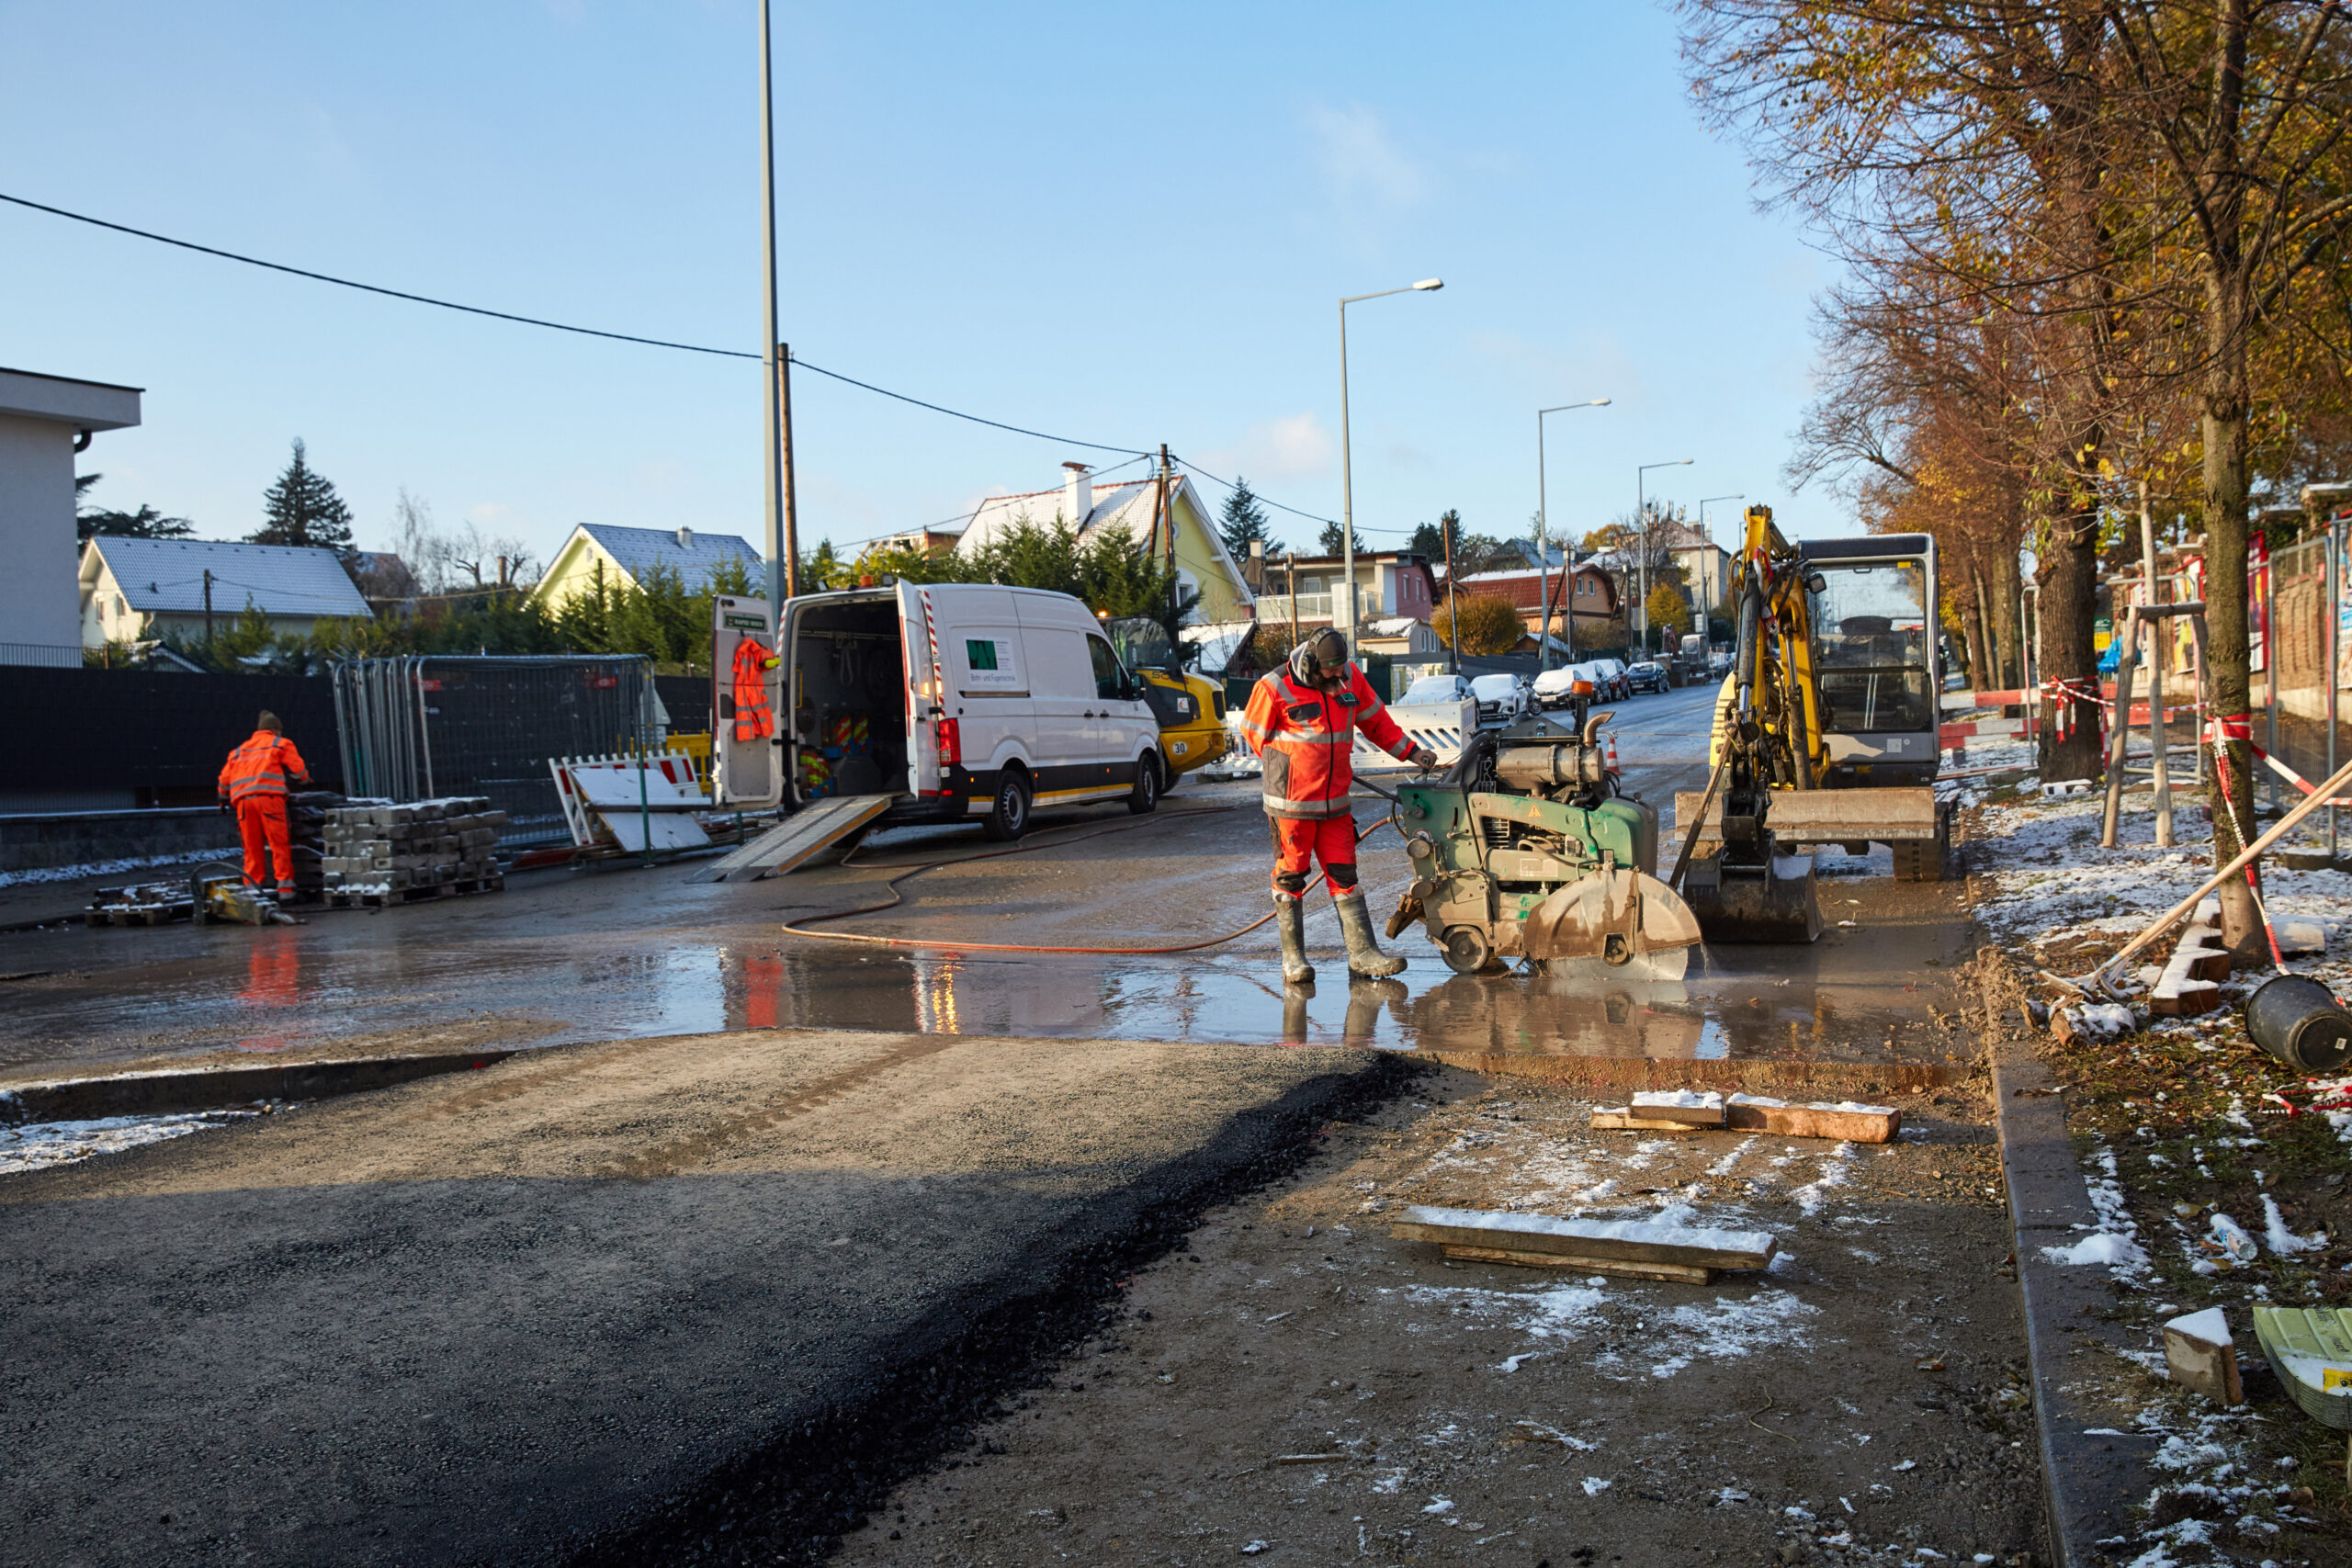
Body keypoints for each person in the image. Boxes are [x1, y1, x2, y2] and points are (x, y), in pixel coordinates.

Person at [1240, 626, 1436, 987]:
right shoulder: (1273, 686)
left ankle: (1363, 954)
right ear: (1312, 662)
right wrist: (1293, 770)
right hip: (1292, 806)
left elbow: (1377, 723)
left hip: (1335, 804)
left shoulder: (1350, 678)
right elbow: (1254, 735)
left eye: (1340, 669)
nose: (1336, 676)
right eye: (1330, 670)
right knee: (1291, 875)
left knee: (1345, 876)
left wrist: (1412, 753)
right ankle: (1293, 961)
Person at [219, 711, 310, 899]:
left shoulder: (238, 751)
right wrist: (305, 780)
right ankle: (285, 890)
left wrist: (222, 799)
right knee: (279, 844)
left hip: (243, 804)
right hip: (270, 801)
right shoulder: (281, 743)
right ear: (275, 730)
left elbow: (224, 780)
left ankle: (253, 892)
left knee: (252, 848)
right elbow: (298, 770)